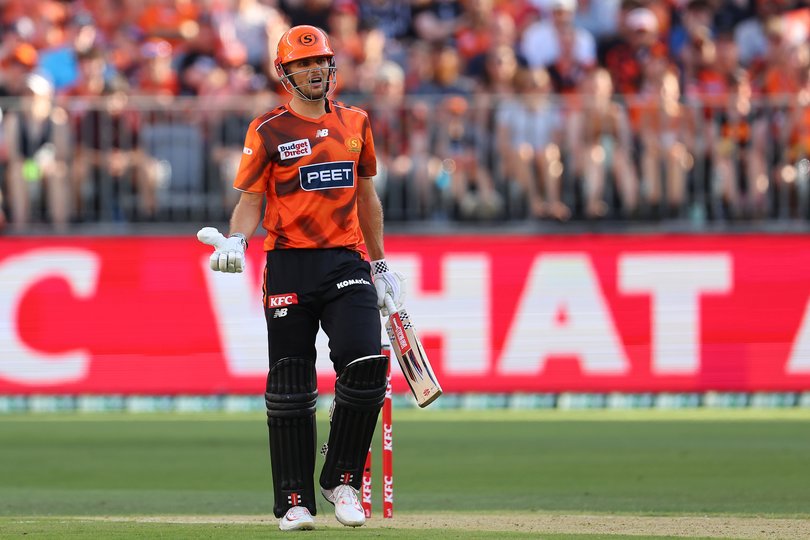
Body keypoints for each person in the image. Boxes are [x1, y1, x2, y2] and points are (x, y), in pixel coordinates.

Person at [196, 25, 404, 531]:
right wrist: (237, 241)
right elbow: (251, 202)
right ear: (285, 72)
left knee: (368, 365)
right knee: (290, 384)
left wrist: (378, 264)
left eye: (321, 62)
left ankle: (342, 481)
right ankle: (294, 501)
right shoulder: (267, 129)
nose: (315, 71)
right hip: (289, 262)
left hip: (345, 261)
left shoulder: (355, 121)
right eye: (304, 64)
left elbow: (366, 198)